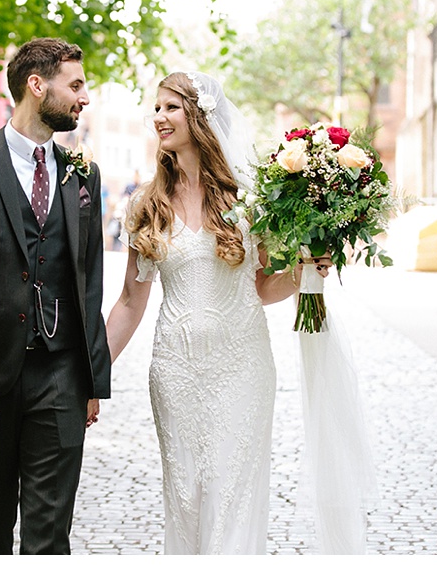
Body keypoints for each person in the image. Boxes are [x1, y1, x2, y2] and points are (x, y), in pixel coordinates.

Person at [106, 71, 343, 554]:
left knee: (232, 494)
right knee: (187, 497)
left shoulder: (249, 199)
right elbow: (131, 301)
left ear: (200, 114)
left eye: (170, 107)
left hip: (242, 366)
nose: (159, 117)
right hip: (175, 370)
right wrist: (90, 373)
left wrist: (304, 271)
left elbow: (262, 286)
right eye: (156, 108)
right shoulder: (145, 206)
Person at [0, 37, 111, 555]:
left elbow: (88, 279)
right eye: (75, 85)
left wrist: (92, 378)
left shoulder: (83, 175)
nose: (84, 97)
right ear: (37, 84)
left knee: (50, 533)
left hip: (61, 376)